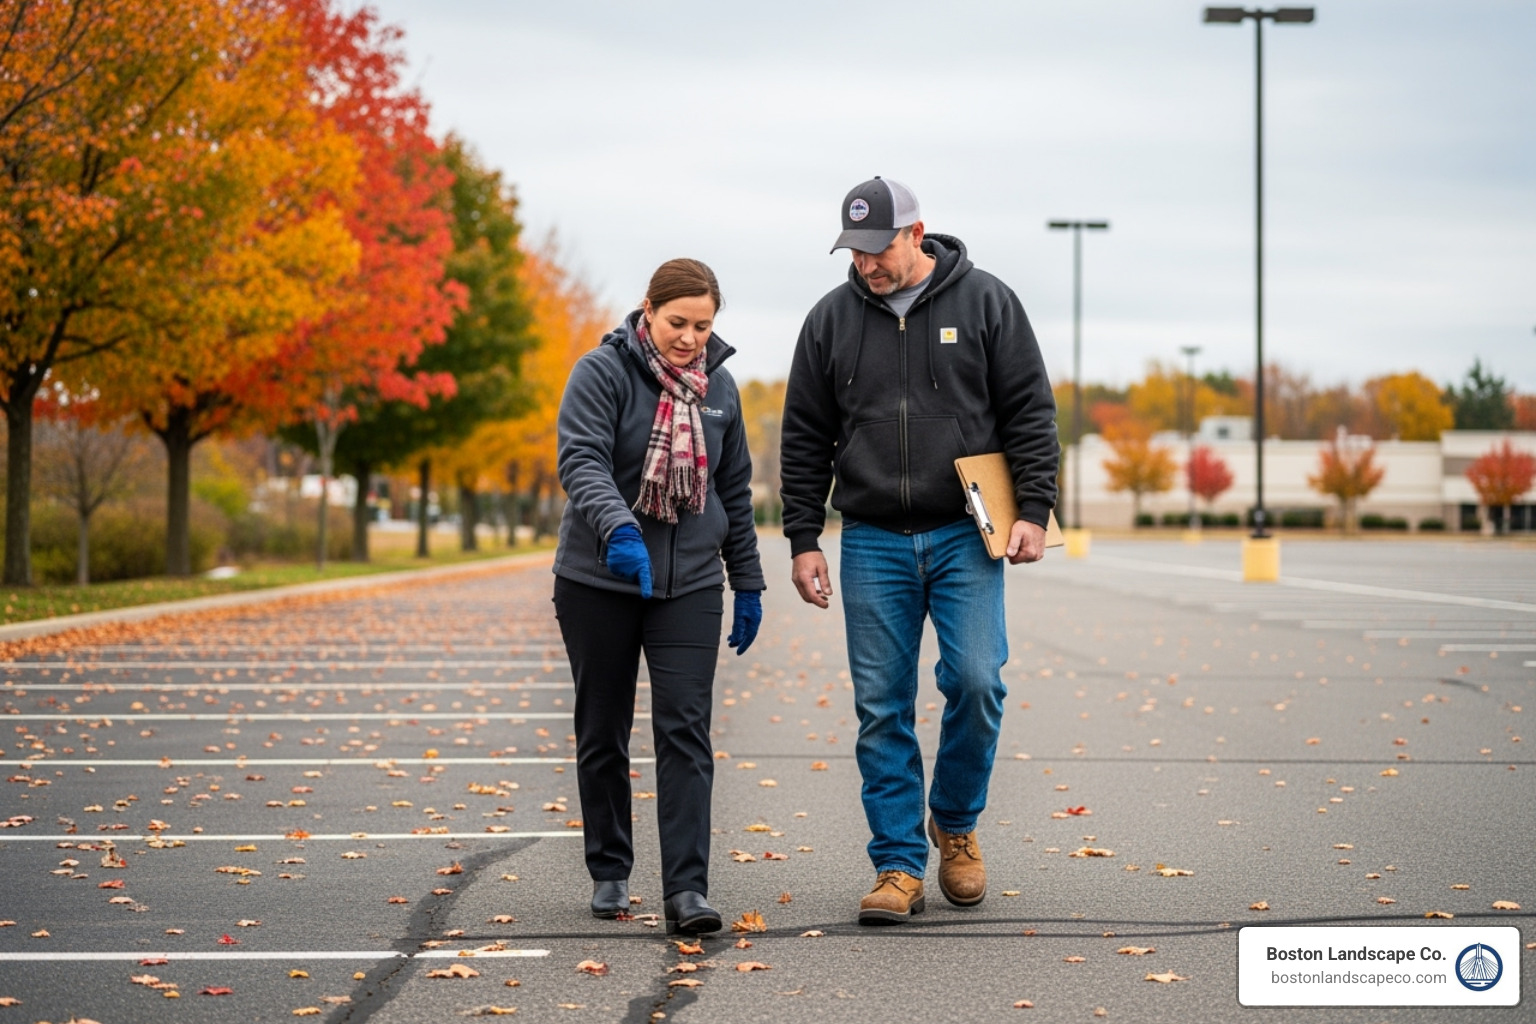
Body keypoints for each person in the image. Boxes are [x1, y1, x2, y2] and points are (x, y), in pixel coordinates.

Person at [779, 177, 1058, 925]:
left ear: (916, 233)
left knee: (976, 682)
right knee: (882, 709)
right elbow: (804, 436)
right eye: (855, 250)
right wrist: (804, 537)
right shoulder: (830, 320)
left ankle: (956, 825)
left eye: (878, 248)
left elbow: (1031, 408)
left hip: (966, 534)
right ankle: (898, 865)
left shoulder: (987, 303)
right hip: (871, 538)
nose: (866, 264)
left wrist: (1033, 508)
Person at [553, 258, 764, 935]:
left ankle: (687, 892)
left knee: (684, 730)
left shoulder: (720, 389)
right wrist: (618, 527)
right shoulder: (602, 373)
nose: (690, 338)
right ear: (648, 309)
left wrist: (749, 581)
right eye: (678, 322)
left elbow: (734, 493)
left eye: (703, 326)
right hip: (600, 579)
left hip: (692, 583)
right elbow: (579, 458)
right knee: (604, 728)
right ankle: (611, 868)